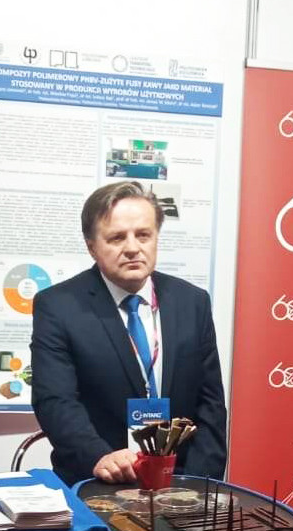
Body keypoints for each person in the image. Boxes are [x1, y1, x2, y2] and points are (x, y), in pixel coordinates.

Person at [30, 181, 228, 485]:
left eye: (143, 235)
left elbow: (210, 403)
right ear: (92, 246)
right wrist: (99, 457)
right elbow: (55, 400)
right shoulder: (58, 306)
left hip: (183, 483)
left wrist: (199, 483)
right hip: (99, 481)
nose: (133, 248)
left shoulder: (192, 302)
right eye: (117, 237)